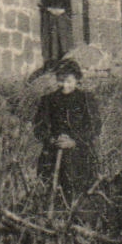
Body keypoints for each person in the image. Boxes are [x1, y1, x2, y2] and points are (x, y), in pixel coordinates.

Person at [32, 58, 99, 204]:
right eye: (60, 80)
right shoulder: (48, 100)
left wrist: (74, 140)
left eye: (68, 81)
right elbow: (39, 126)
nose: (64, 85)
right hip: (53, 153)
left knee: (79, 194)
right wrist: (52, 139)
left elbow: (94, 127)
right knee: (51, 192)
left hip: (80, 154)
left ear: (77, 80)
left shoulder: (86, 99)